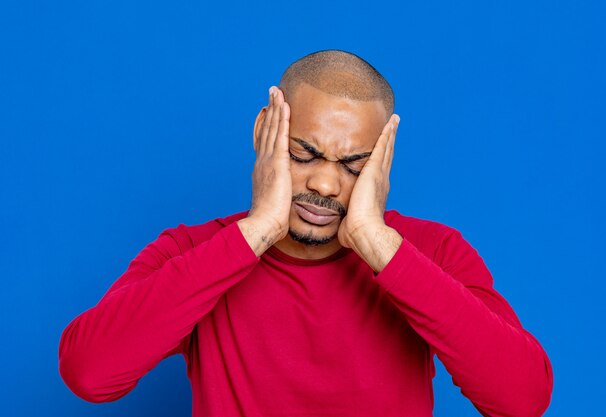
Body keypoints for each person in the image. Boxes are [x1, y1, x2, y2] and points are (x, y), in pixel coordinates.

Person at [59, 50, 553, 416]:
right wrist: (256, 233)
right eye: (303, 154)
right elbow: (89, 372)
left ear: (383, 163)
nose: (324, 183)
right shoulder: (194, 253)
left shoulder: (431, 252)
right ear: (264, 133)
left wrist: (377, 242)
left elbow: (522, 399)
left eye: (354, 165)